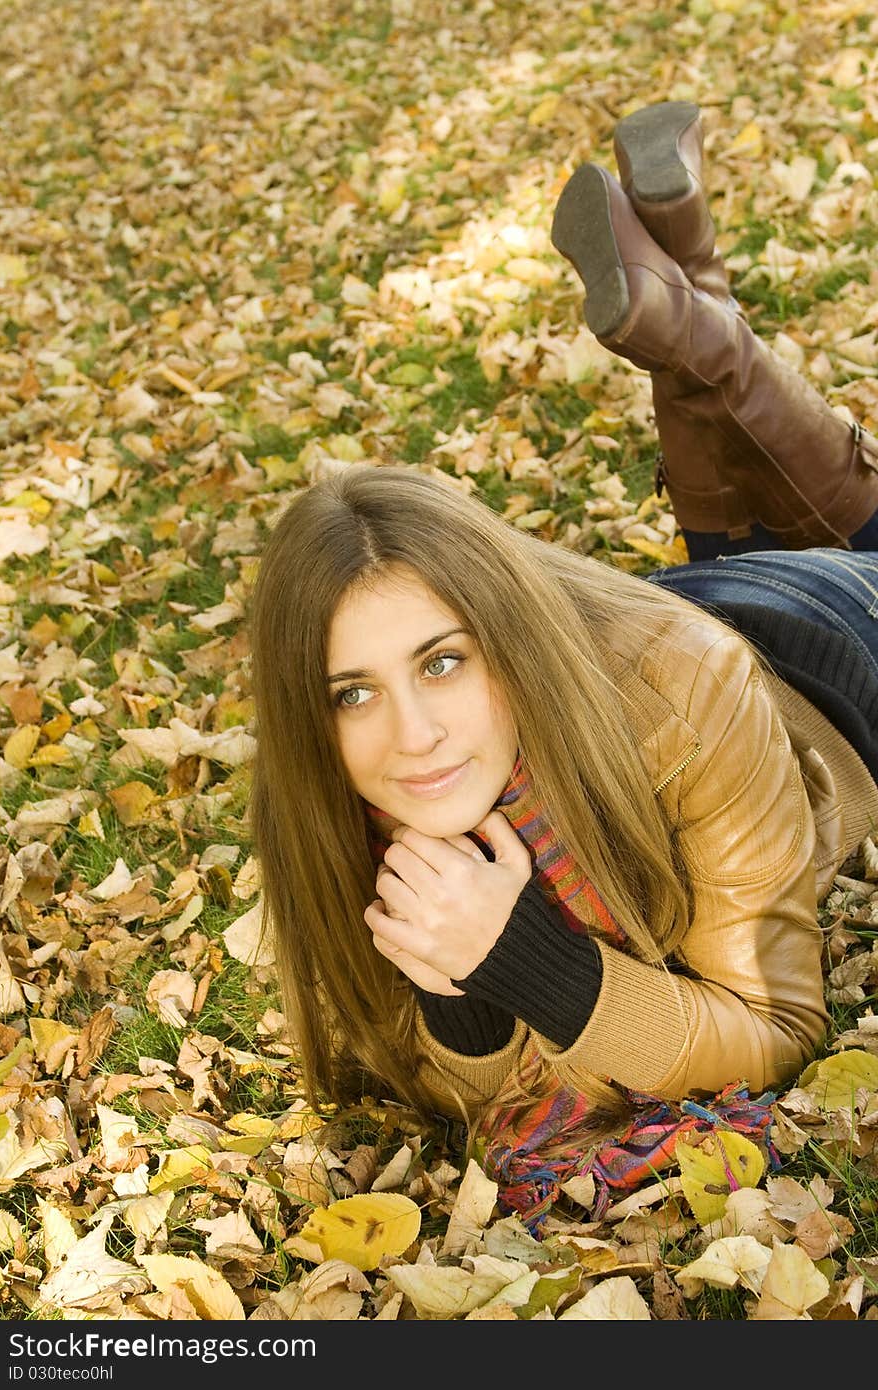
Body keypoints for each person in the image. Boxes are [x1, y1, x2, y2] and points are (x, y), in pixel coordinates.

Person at [247, 102, 878, 1223]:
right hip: (686, 603)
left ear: (500, 632)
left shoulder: (686, 695)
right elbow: (449, 1076)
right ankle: (681, 279)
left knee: (854, 529)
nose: (413, 736)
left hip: (821, 664)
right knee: (740, 526)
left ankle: (694, 315)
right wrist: (463, 997)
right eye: (355, 691)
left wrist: (540, 965)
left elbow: (778, 1027)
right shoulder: (337, 801)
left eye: (440, 663)